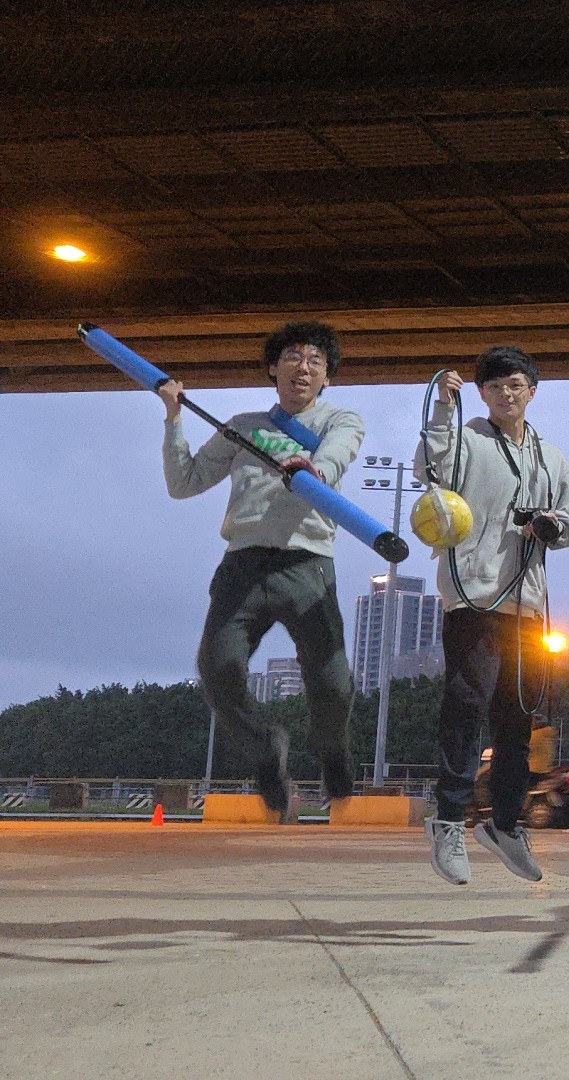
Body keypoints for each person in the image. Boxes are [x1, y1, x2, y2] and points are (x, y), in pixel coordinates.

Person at [158, 321, 363, 823]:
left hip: (307, 562)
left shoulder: (342, 421)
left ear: (327, 377)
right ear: (273, 368)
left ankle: (332, 750)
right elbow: (183, 483)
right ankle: (267, 751)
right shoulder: (242, 425)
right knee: (217, 668)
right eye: (293, 356)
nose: (304, 367)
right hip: (242, 565)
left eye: (316, 360)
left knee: (332, 683)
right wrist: (173, 418)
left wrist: (313, 468)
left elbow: (335, 459)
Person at [417, 346, 569, 886]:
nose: (505, 394)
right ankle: (447, 820)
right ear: (482, 394)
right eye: (494, 387)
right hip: (473, 597)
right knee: (467, 704)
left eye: (515, 385)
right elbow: (431, 470)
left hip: (527, 605)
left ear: (532, 390)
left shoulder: (552, 458)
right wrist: (444, 412)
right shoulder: (466, 440)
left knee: (518, 720)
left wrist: (553, 526)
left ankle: (506, 823)